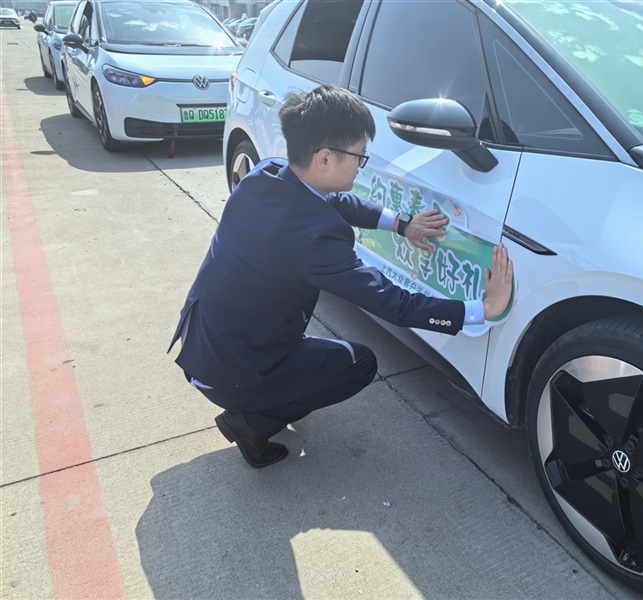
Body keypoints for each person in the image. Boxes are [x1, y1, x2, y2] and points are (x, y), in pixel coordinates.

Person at [168, 84, 514, 469]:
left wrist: (401, 224)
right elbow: (392, 303)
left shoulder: (267, 175)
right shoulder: (316, 239)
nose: (361, 163)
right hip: (233, 370)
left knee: (310, 352)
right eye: (359, 157)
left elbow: (335, 200)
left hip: (203, 344)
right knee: (359, 364)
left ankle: (263, 397)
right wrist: (481, 309)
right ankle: (249, 420)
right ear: (325, 159)